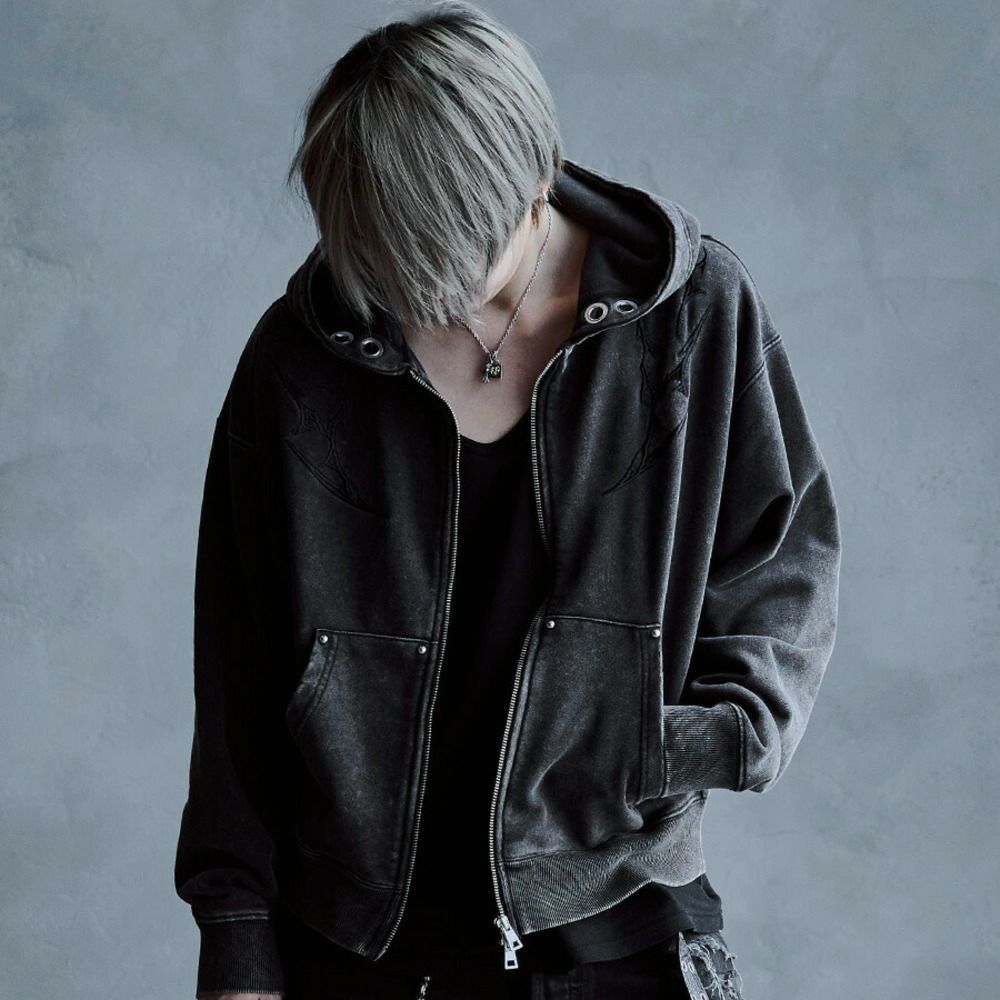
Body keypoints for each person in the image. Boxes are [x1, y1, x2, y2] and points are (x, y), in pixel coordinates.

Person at [173, 2, 841, 998]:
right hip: (353, 946)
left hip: (618, 932)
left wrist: (689, 736)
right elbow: (239, 660)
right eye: (380, 264)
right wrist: (234, 938)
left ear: (533, 182)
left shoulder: (692, 319)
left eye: (442, 266)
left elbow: (783, 556)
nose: (413, 300)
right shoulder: (301, 359)